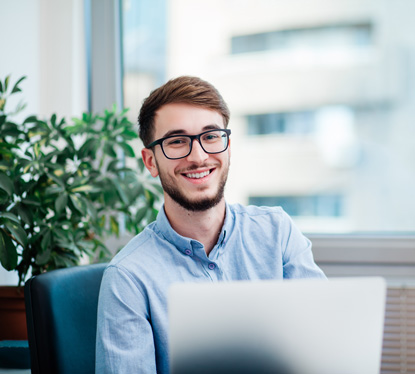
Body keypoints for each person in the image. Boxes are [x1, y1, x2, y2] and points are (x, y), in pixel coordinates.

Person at [95, 76, 326, 373]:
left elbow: (322, 349)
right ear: (150, 161)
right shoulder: (128, 277)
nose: (199, 156)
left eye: (211, 136)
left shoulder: (277, 233)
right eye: (177, 141)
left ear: (227, 146)